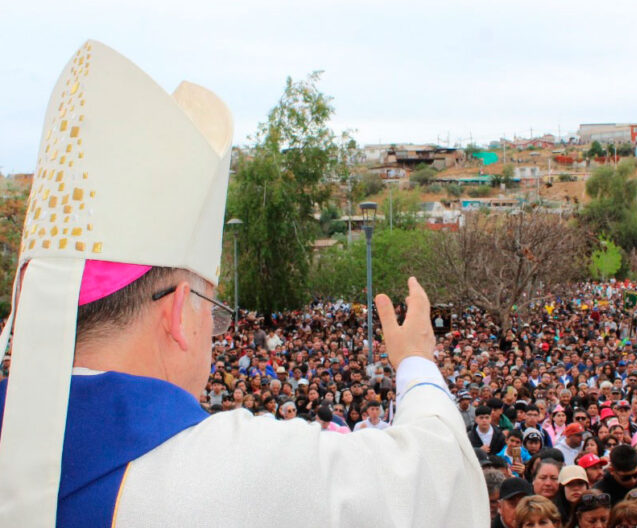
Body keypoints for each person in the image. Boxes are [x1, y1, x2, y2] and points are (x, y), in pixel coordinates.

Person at [0, 41, 488, 526]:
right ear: (178, 313)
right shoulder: (242, 476)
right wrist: (418, 364)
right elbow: (440, 486)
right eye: (213, 313)